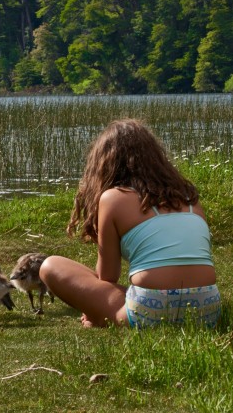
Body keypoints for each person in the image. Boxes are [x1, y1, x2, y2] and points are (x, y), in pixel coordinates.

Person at [39, 118, 220, 329]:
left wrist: (94, 304)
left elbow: (107, 277)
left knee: (50, 266)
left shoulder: (112, 198)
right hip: (207, 310)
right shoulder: (190, 199)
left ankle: (102, 317)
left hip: (151, 312)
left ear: (104, 163)